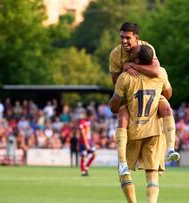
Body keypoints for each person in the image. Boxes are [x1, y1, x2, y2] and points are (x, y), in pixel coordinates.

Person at [109, 22, 179, 176]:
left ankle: (170, 148)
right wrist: (125, 70)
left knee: (166, 108)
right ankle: (122, 163)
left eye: (128, 38)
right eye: (121, 37)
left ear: (136, 38)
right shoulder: (115, 54)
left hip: (151, 91)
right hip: (129, 94)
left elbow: (155, 70)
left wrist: (130, 66)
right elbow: (115, 81)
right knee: (122, 118)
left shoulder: (147, 48)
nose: (124, 41)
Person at [109, 45, 171, 203]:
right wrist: (160, 98)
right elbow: (169, 94)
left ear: (136, 60)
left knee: (124, 172)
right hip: (154, 130)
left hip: (133, 130)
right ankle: (171, 147)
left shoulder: (125, 77)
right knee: (152, 173)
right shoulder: (161, 73)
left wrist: (123, 105)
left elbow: (114, 107)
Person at [78, 110, 96, 176]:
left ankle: (86, 167)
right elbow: (82, 134)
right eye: (91, 117)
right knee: (83, 156)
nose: (92, 118)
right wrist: (86, 144)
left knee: (94, 155)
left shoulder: (88, 122)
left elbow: (88, 133)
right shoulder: (82, 122)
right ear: (88, 116)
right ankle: (83, 172)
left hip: (89, 141)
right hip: (83, 141)